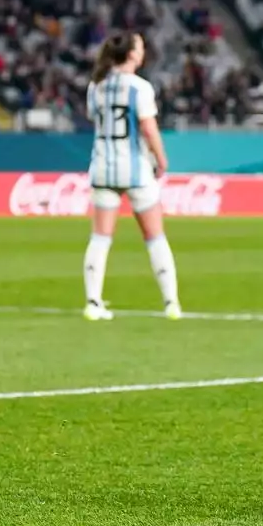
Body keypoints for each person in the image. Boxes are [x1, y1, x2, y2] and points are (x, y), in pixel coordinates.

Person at [82, 31, 182, 321]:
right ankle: (171, 303)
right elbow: (148, 128)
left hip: (102, 167)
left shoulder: (95, 86)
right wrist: (161, 159)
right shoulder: (139, 87)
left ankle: (92, 302)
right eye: (140, 46)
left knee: (100, 238)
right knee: (154, 236)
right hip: (136, 169)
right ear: (133, 54)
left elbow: (95, 120)